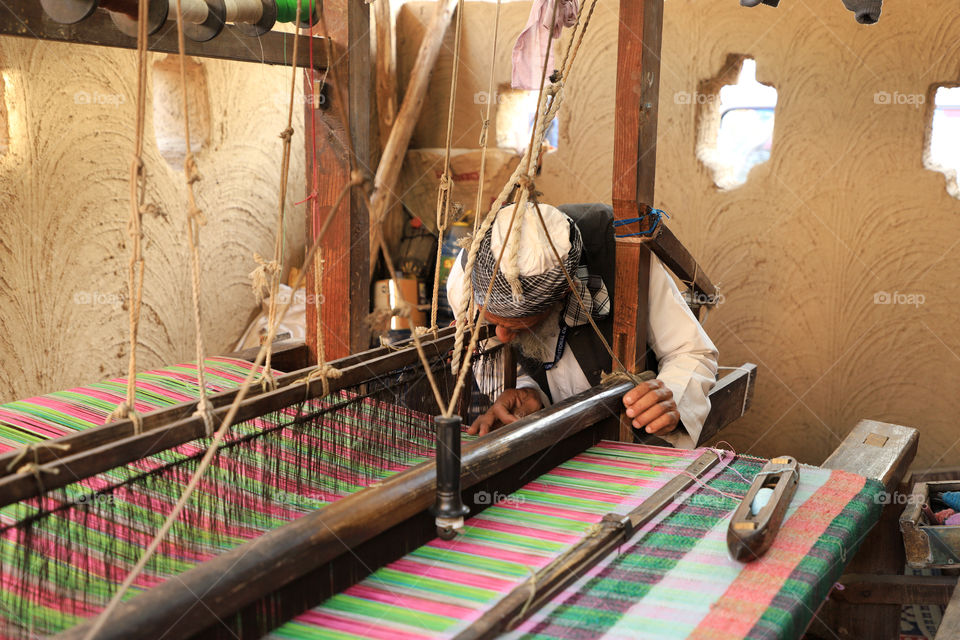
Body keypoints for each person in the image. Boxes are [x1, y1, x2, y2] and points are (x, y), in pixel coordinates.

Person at [445, 201, 718, 449]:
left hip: (630, 446)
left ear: (565, 293)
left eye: (518, 327)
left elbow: (691, 351)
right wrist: (529, 391)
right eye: (493, 323)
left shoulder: (620, 249)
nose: (502, 337)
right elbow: (491, 364)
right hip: (550, 449)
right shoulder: (465, 281)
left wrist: (672, 397)